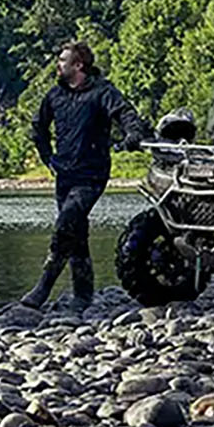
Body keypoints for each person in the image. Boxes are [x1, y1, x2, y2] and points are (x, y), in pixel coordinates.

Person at [20, 40, 148, 312]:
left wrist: (133, 134)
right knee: (76, 232)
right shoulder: (54, 95)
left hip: (91, 174)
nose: (58, 64)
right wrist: (47, 158)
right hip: (63, 174)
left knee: (65, 224)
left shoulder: (103, 92)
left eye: (63, 60)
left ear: (79, 65)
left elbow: (125, 114)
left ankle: (42, 287)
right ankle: (83, 294)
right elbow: (38, 127)